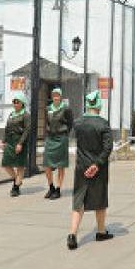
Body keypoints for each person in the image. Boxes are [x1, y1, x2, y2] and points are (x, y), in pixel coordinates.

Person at [68, 91, 115, 250]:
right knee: (100, 198)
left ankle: (72, 234)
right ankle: (101, 231)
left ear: (87, 104)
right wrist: (97, 164)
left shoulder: (78, 123)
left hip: (81, 166)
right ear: (99, 105)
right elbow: (108, 147)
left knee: (79, 199)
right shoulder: (103, 124)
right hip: (98, 168)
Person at [43, 88, 74, 201]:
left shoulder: (66, 109)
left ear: (60, 96)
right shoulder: (48, 109)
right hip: (50, 138)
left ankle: (58, 189)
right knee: (47, 164)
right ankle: (51, 187)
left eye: (57, 95)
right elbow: (47, 123)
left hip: (61, 139)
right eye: (54, 95)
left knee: (61, 165)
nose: (55, 97)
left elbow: (70, 123)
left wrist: (64, 133)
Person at [1, 91, 31, 195]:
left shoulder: (26, 115)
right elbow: (7, 128)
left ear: (22, 103)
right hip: (10, 142)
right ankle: (17, 180)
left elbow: (27, 130)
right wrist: (3, 141)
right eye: (14, 102)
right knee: (6, 164)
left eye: (18, 102)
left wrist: (20, 143)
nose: (15, 104)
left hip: (20, 141)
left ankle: (16, 187)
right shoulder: (11, 114)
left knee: (19, 165)